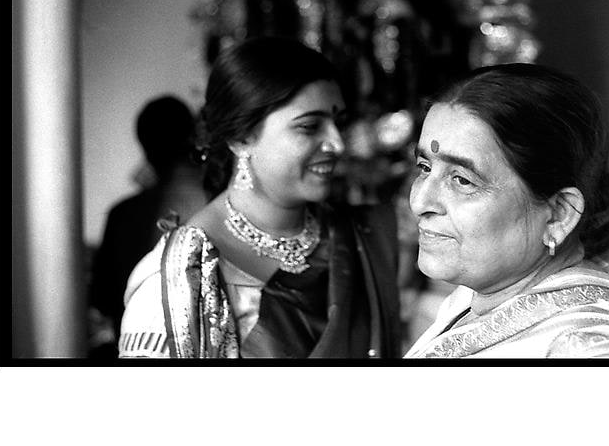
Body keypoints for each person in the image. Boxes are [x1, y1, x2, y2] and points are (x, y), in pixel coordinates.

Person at [118, 37, 401, 358]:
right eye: (310, 127)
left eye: (338, 122)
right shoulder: (182, 284)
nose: (336, 144)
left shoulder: (362, 238)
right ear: (241, 138)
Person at [404, 63, 609, 358]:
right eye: (424, 167)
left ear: (560, 214)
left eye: (462, 180)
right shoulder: (470, 300)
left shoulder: (587, 352)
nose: (419, 203)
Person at [89, 95, 208, 354]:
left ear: (145, 148)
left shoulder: (123, 214)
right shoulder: (219, 201)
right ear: (192, 136)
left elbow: (102, 298)